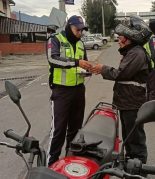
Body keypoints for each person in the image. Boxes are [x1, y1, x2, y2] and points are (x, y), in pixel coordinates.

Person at [89, 15, 152, 165]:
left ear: (129, 39)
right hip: (127, 103)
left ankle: (139, 169)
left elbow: (121, 74)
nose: (119, 40)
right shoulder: (131, 53)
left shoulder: (137, 53)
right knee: (128, 137)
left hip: (132, 104)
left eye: (121, 37)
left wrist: (102, 68)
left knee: (135, 139)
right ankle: (130, 165)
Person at [46, 15, 93, 166]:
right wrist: (76, 62)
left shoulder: (80, 43)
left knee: (75, 129)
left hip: (79, 90)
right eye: (77, 29)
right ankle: (51, 164)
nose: (80, 33)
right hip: (61, 91)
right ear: (68, 26)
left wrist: (87, 68)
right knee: (58, 130)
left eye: (81, 30)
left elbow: (82, 63)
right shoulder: (55, 39)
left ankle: (69, 160)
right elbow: (53, 59)